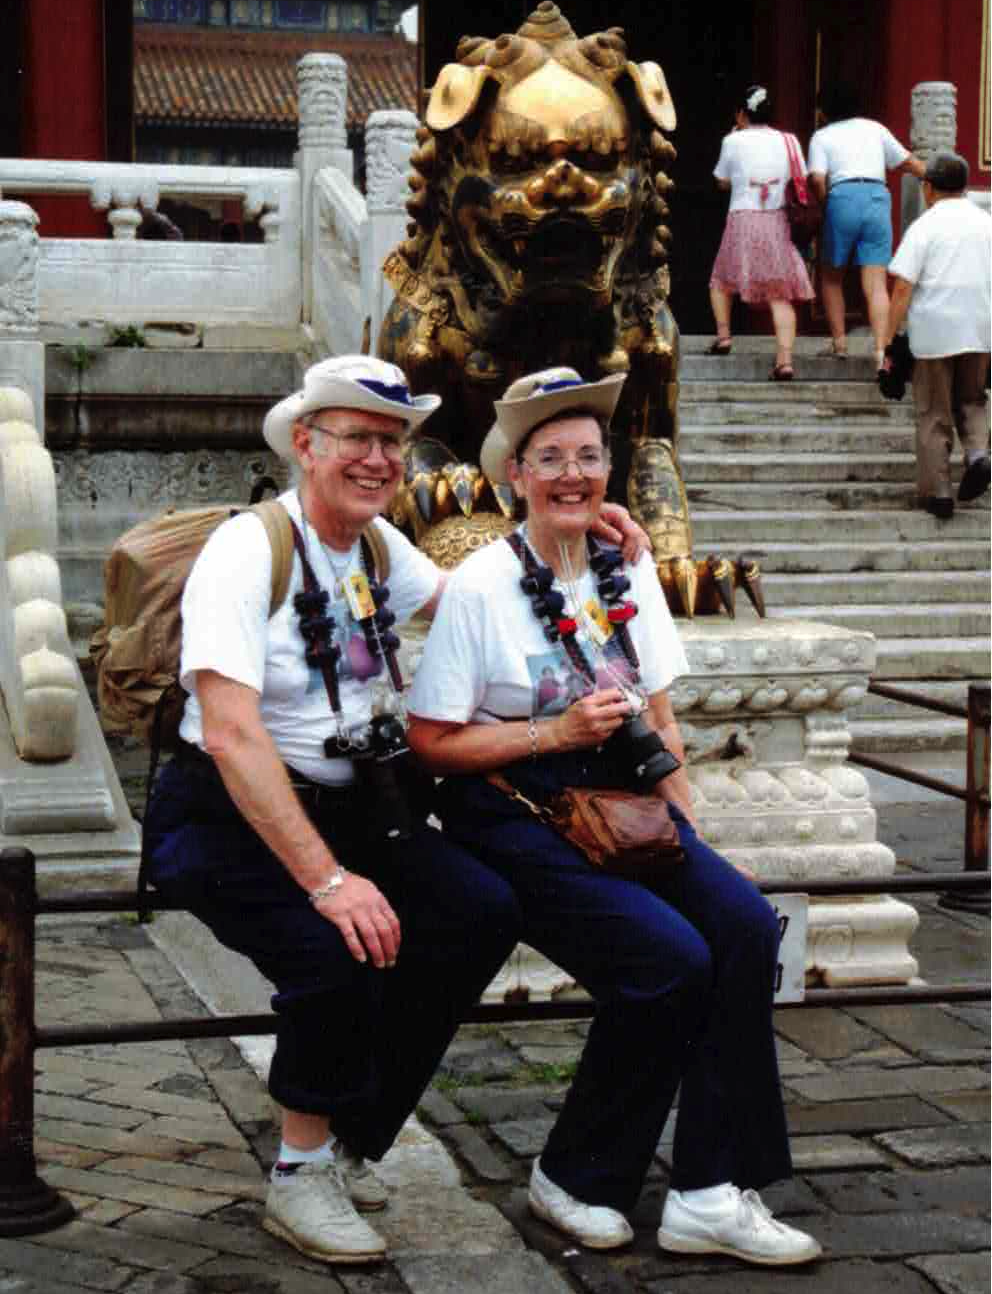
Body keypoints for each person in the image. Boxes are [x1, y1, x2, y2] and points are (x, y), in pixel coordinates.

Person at [141, 354, 647, 1267]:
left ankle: (347, 1137)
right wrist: (330, 882)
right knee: (333, 944)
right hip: (223, 813)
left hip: (351, 802)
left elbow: (486, 609)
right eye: (357, 439)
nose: (379, 460)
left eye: (392, 443)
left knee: (478, 908)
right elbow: (231, 734)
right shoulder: (251, 549)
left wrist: (566, 529)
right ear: (305, 444)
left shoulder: (376, 547)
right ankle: (299, 1176)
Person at [406, 366, 823, 1267]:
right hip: (509, 803)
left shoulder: (623, 564)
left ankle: (712, 1191)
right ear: (514, 474)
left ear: (610, 471)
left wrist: (697, 847)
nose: (572, 475)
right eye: (549, 457)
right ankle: (577, 1176)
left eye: (589, 457)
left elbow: (660, 720)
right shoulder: (482, 584)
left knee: (743, 927)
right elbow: (432, 743)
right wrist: (548, 729)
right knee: (668, 961)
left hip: (622, 798)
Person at [883, 151, 992, 519]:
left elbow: (902, 289)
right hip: (980, 328)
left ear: (927, 187)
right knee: (973, 399)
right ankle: (977, 455)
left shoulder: (924, 227)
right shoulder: (985, 223)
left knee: (933, 410)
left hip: (933, 332)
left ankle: (940, 490)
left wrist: (887, 339)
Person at [808, 84, 925, 367]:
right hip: (876, 197)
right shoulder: (875, 129)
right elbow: (907, 162)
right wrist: (935, 178)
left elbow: (816, 179)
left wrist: (826, 205)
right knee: (875, 282)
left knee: (832, 276)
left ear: (824, 111)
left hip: (842, 197)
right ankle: (881, 350)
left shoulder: (822, 136)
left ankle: (840, 344)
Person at [708, 85, 814, 380]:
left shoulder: (733, 141)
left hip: (743, 216)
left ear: (742, 114)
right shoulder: (789, 140)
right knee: (780, 294)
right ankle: (784, 360)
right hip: (775, 219)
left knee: (721, 280)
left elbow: (721, 180)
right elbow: (800, 178)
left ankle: (724, 336)